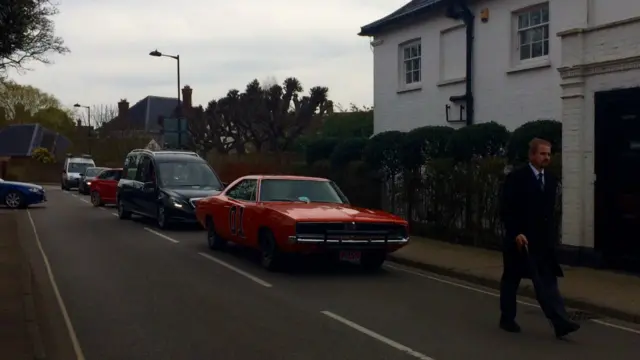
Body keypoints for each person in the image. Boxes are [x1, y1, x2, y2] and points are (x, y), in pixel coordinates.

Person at [499, 138, 580, 339]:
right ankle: (507, 319)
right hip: (519, 240)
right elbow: (506, 208)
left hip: (542, 242)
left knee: (547, 283)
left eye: (548, 154)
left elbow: (549, 213)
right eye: (542, 154)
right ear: (532, 155)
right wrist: (515, 232)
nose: (546, 158)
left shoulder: (551, 180)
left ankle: (561, 323)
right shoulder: (517, 178)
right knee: (511, 279)